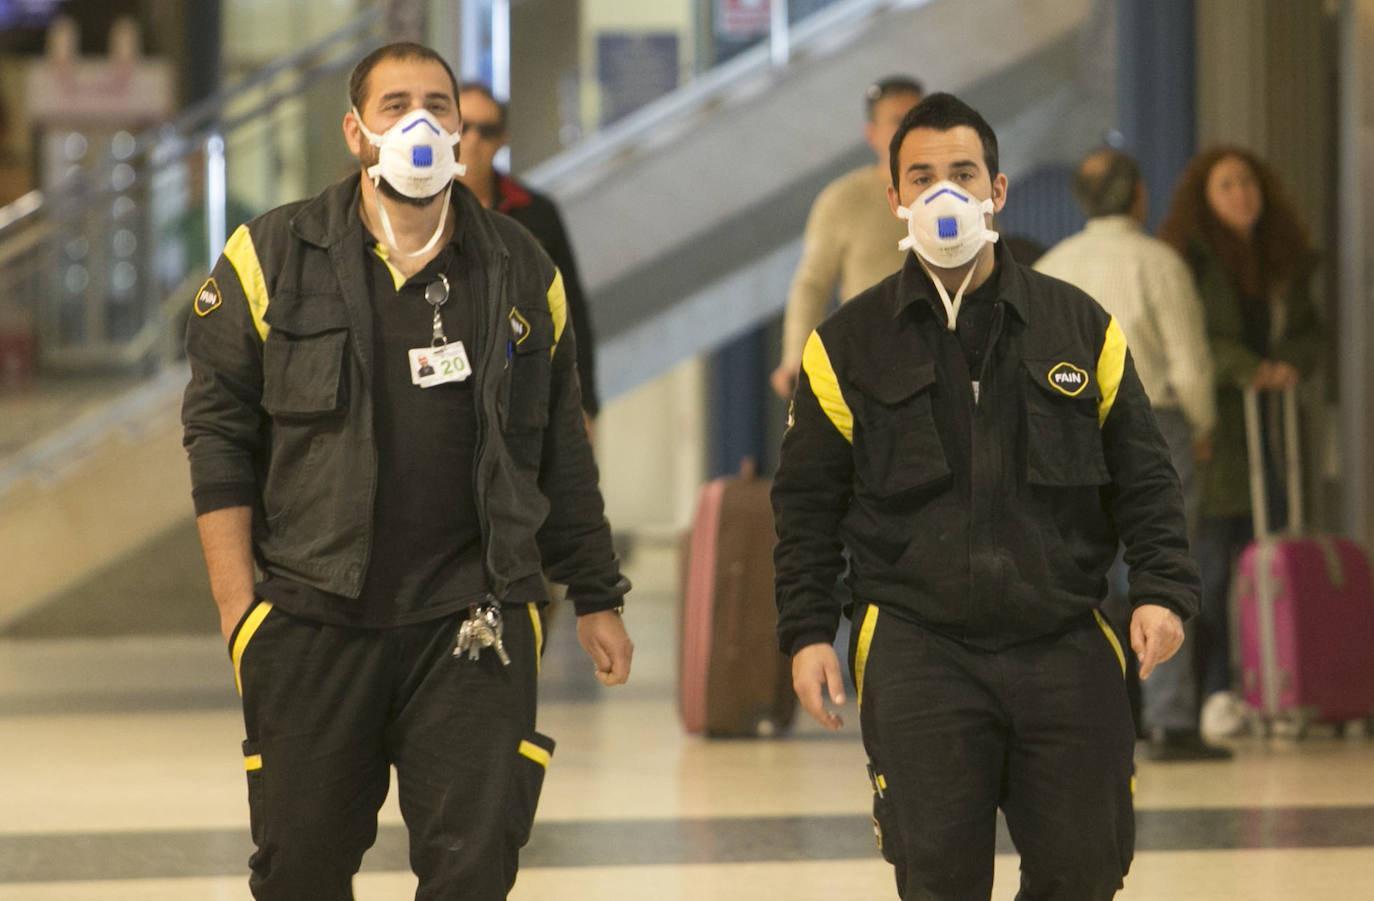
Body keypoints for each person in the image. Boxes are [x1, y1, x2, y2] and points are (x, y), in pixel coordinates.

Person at [181, 42, 634, 900]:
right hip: (313, 618)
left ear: (463, 133)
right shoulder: (270, 257)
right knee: (299, 871)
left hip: (474, 619)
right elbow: (216, 435)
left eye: (437, 103)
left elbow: (559, 451)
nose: (418, 121)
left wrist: (597, 594)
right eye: (395, 105)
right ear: (357, 132)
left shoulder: (519, 269)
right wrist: (242, 612)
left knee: (471, 870)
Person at [772, 93, 1201, 899]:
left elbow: (1146, 477)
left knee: (1085, 871)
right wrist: (806, 632)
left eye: (963, 173)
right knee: (938, 877)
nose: (945, 193)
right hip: (919, 646)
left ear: (997, 191)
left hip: (1065, 639)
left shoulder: (1081, 327)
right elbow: (805, 508)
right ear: (894, 196)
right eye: (923, 176)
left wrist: (1163, 591)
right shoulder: (845, 347)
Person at [1035, 148, 1226, 761]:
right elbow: (1190, 363)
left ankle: (1103, 715)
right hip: (1155, 425)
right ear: (1139, 195)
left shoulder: (1054, 266)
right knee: (1165, 566)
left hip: (1070, 426)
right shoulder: (1159, 263)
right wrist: (1203, 423)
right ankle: (1170, 719)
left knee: (1089, 571)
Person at [1158, 146, 1324, 738]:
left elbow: (1310, 332)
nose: (1241, 194)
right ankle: (1215, 690)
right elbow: (1198, 338)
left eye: (1248, 182)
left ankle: (1277, 681)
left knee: (1272, 556)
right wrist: (1247, 368)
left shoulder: (1284, 259)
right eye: (1227, 185)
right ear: (1205, 198)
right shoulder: (1193, 261)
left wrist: (1286, 366)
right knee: (1212, 567)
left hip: (1274, 431)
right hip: (1220, 431)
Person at [456, 81, 600, 432]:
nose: (473, 140)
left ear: (503, 138)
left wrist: (586, 403)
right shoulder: (422, 211)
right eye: (464, 127)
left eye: (486, 130)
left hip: (526, 391)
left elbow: (570, 310)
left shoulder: (536, 212)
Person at [769, 75, 923, 400]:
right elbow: (813, 284)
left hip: (944, 367)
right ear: (872, 135)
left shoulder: (959, 197)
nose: (911, 131)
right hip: (868, 371)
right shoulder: (843, 199)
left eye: (920, 119)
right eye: (898, 121)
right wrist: (796, 359)